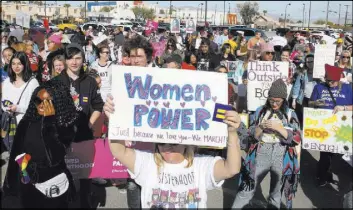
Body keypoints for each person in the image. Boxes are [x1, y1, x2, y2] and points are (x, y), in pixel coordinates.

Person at [103, 93, 242, 208]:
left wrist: (232, 132)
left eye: (175, 142)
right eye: (162, 141)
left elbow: (232, 168)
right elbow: (119, 151)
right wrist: (114, 121)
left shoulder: (201, 165)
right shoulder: (147, 162)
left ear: (187, 143)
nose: (167, 146)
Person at [2, 79, 78, 208]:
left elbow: (54, 158)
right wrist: (9, 186)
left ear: (58, 103)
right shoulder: (26, 122)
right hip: (28, 184)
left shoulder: (64, 125)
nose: (42, 105)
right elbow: (16, 153)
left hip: (54, 186)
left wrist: (49, 123)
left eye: (48, 101)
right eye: (38, 100)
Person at [232, 79, 301, 209]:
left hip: (281, 154)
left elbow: (297, 138)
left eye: (278, 101)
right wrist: (261, 127)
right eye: (271, 100)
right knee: (246, 189)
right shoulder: (260, 111)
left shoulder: (290, 113)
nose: (274, 104)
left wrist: (280, 129)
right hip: (261, 152)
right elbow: (251, 135)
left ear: (284, 100)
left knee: (275, 195)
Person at [56, 43, 104, 208]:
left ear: (83, 59)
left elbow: (98, 106)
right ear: (65, 60)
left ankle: (85, 200)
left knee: (85, 174)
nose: (74, 62)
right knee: (62, 173)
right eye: (70, 58)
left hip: (84, 135)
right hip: (61, 136)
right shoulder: (57, 81)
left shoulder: (89, 81)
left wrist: (89, 124)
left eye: (78, 58)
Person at [309, 64, 353, 187]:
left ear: (339, 79)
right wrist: (315, 103)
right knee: (325, 153)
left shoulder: (347, 88)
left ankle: (325, 171)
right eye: (327, 80)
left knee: (336, 153)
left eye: (332, 81)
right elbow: (310, 103)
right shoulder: (319, 87)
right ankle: (322, 176)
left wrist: (343, 107)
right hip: (324, 126)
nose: (329, 83)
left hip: (342, 127)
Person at [1, 52, 39, 125]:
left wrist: (18, 108)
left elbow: (36, 107)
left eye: (19, 64)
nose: (16, 67)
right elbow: (3, 103)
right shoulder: (7, 82)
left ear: (25, 65)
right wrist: (8, 108)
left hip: (27, 125)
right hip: (9, 124)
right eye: (13, 64)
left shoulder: (33, 82)